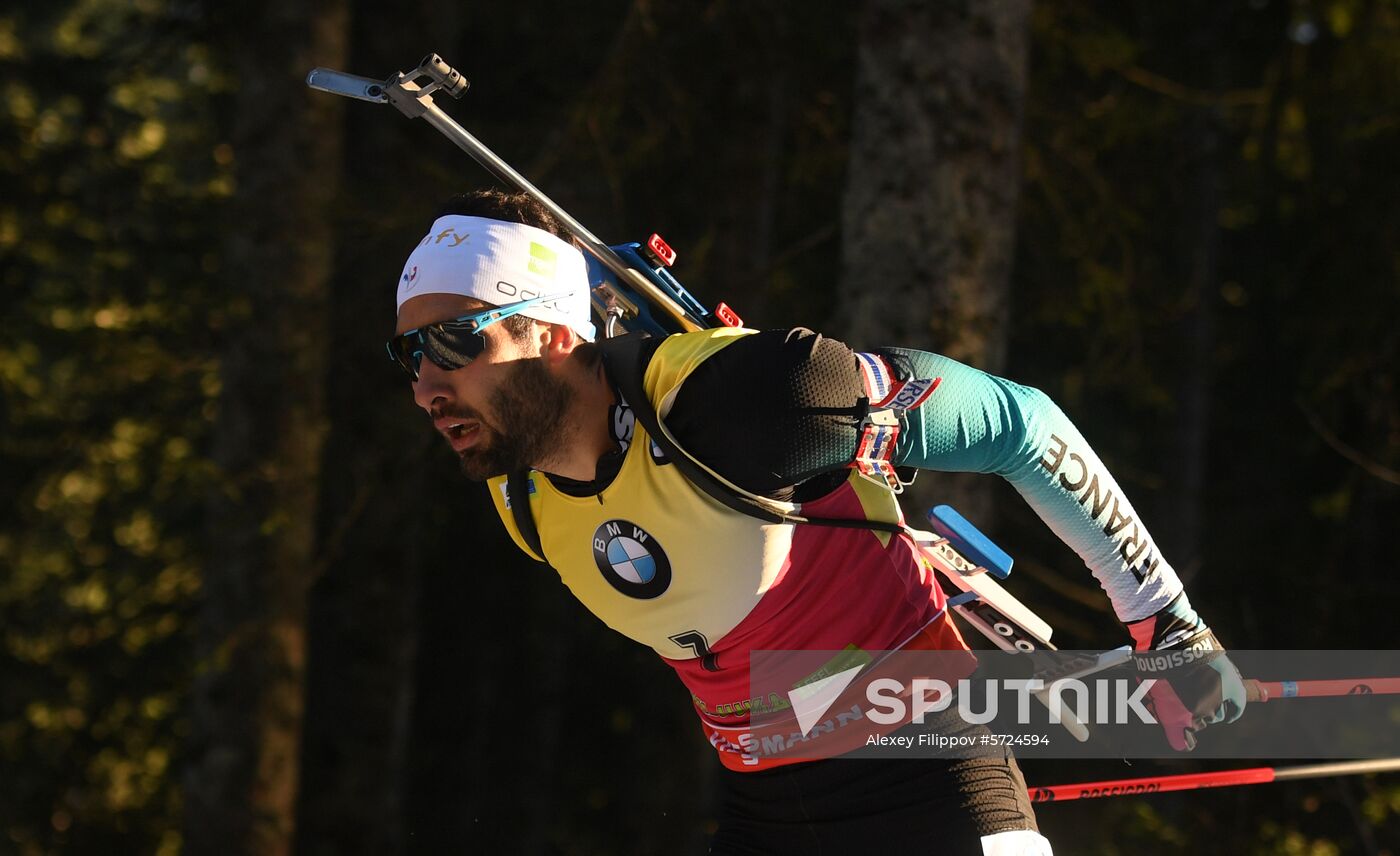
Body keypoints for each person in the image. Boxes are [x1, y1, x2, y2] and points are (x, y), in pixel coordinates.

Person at [388, 188, 1246, 854]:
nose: (427, 386)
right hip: (767, 816)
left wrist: (1164, 620)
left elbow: (1022, 423)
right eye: (408, 354)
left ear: (548, 331)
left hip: (932, 786)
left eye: (455, 342)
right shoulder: (521, 498)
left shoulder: (752, 400)